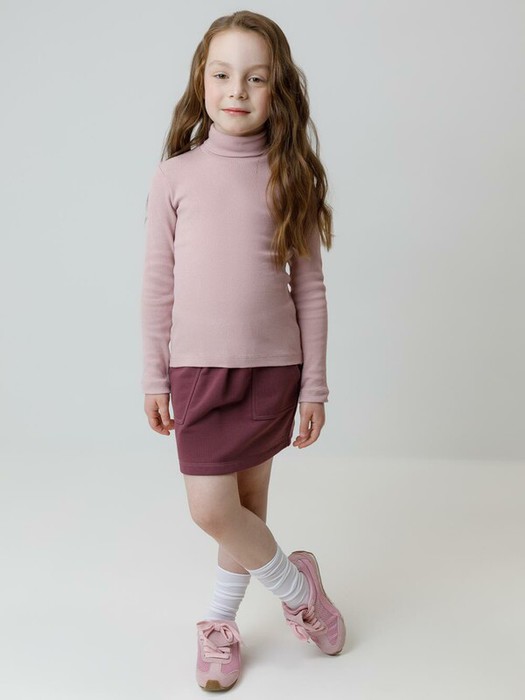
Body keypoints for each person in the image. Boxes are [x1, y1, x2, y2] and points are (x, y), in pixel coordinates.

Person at [141, 9, 345, 692]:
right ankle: (299, 591)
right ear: (201, 80)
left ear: (277, 88)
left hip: (273, 370)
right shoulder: (174, 176)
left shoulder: (290, 175)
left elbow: (310, 289)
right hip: (197, 372)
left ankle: (219, 623)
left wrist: (314, 385)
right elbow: (157, 285)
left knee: (247, 510)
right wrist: (154, 375)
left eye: (256, 78)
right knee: (211, 509)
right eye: (223, 75)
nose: (237, 90)